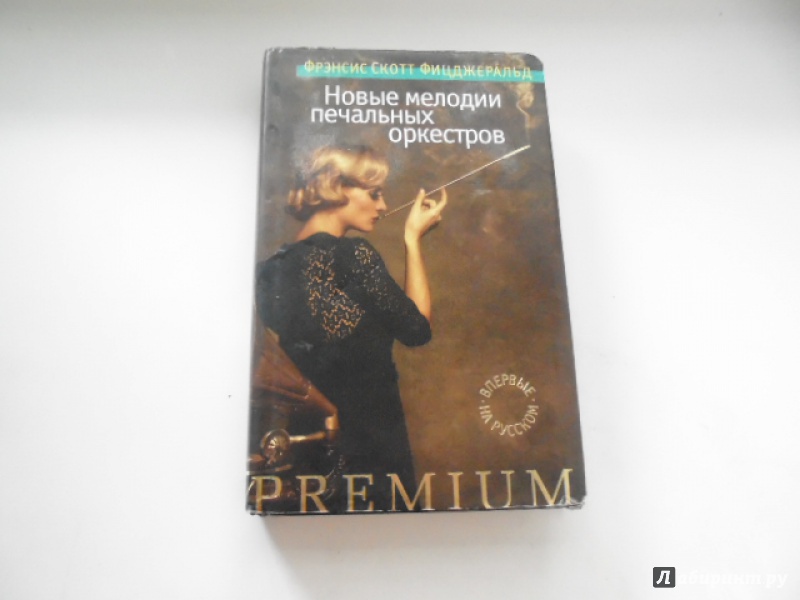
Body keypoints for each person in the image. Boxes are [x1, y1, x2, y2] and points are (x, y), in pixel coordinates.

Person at [255, 144, 447, 511]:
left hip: (306, 443)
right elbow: (418, 331)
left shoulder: (269, 271)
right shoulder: (355, 256)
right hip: (372, 442)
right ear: (337, 186)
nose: (383, 206)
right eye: (374, 193)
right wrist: (412, 241)